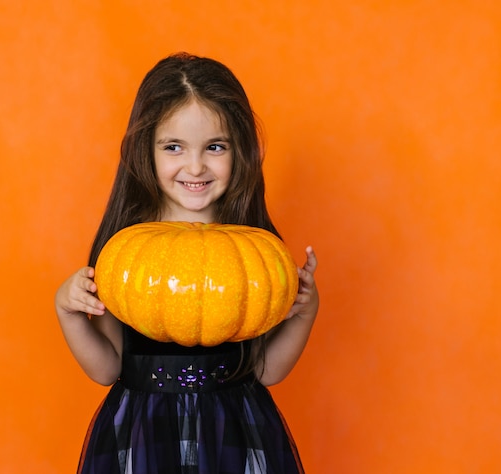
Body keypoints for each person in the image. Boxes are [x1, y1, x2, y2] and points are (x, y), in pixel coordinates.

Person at [55, 52, 319, 474]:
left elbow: (267, 371)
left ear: (240, 151)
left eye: (215, 147)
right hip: (145, 433)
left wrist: (304, 312)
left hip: (235, 427)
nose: (195, 166)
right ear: (148, 150)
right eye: (174, 147)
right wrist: (67, 312)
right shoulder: (126, 249)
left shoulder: (254, 248)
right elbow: (107, 369)